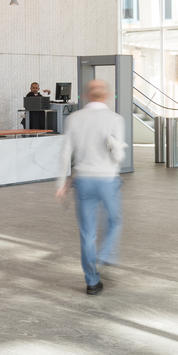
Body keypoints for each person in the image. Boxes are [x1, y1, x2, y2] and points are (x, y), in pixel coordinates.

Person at [55, 79, 125, 296]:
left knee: (87, 234)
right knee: (114, 220)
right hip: (107, 180)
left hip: (83, 180)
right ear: (107, 95)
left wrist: (61, 185)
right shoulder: (115, 119)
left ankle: (92, 282)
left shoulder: (74, 118)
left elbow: (65, 154)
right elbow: (118, 157)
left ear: (86, 95)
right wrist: (114, 148)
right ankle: (103, 255)